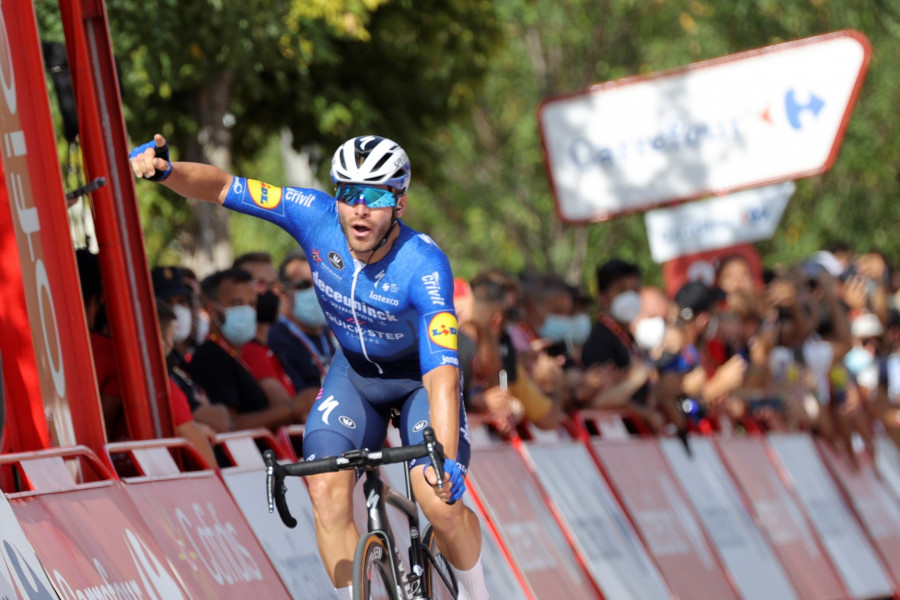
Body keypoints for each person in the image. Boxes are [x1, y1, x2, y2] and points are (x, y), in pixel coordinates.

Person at [130, 134, 489, 599]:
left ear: (399, 202)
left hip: (416, 381)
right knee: (323, 487)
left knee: (436, 500)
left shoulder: (423, 264)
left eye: (376, 196)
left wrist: (442, 455)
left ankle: (477, 591)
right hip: (355, 376)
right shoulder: (313, 215)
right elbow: (223, 187)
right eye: (348, 193)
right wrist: (167, 171)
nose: (359, 209)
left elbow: (442, 372)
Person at [189, 267, 296, 431]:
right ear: (212, 309)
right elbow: (230, 425)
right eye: (236, 303)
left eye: (252, 304)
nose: (246, 311)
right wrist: (292, 409)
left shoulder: (234, 355)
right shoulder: (210, 357)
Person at [232, 251, 308, 422]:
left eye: (274, 285)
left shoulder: (266, 348)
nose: (269, 292)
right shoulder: (249, 350)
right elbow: (293, 410)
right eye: (259, 284)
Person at [267, 248, 335, 422]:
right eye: (304, 285)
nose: (314, 291)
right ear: (283, 292)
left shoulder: (333, 334)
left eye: (319, 282)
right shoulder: (276, 340)